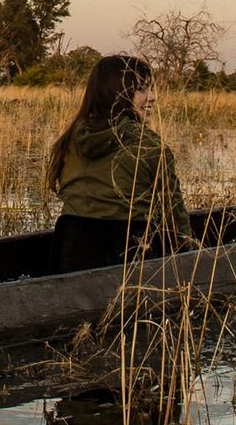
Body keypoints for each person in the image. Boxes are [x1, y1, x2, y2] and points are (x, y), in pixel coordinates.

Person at [45, 54, 194, 271]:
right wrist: (192, 259)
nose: (152, 97)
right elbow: (176, 219)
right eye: (142, 89)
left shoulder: (66, 142)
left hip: (69, 259)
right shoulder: (150, 146)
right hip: (130, 264)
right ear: (117, 93)